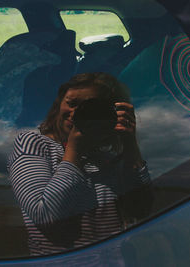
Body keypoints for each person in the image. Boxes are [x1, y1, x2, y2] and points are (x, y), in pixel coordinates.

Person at [8, 72, 152, 256]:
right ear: (59, 103)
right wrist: (74, 149)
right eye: (71, 103)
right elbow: (47, 218)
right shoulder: (35, 144)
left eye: (90, 108)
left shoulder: (107, 155)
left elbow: (140, 209)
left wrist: (130, 144)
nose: (76, 113)